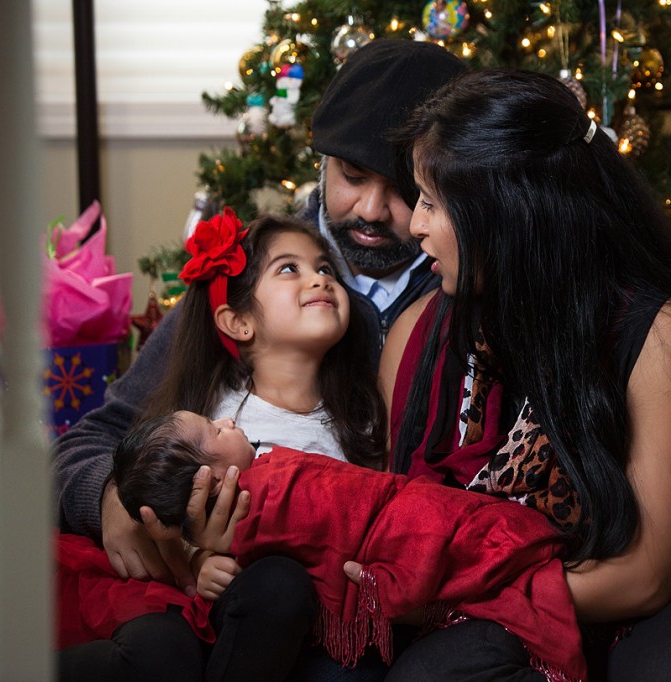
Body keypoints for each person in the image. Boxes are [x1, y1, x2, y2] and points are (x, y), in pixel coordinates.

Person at [367, 68, 671, 680]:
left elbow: (646, 578)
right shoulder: (421, 333)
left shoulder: (662, 335)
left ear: (512, 214)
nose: (415, 226)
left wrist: (446, 594)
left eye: (432, 203)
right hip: (524, 584)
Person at [51, 38, 466, 605]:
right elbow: (89, 438)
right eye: (352, 175)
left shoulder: (464, 290)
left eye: (402, 189)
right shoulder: (251, 275)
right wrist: (111, 498)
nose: (371, 209)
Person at [58, 211, 392, 681]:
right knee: (263, 592)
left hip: (318, 599)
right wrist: (194, 556)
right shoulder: (217, 415)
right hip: (226, 593)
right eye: (289, 268)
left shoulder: (361, 418)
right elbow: (165, 501)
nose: (319, 278)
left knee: (284, 588)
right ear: (237, 323)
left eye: (326, 268)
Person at [60, 409, 583, 681]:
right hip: (229, 603)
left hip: (321, 610)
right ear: (238, 320)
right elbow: (85, 440)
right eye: (213, 429)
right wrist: (185, 549)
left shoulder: (352, 398)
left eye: (322, 267)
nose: (226, 421)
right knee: (161, 652)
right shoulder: (239, 468)